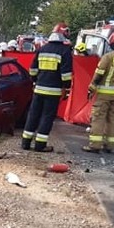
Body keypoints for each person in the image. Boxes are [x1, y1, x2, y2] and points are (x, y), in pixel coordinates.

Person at [21, 22, 73, 152]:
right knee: (47, 117)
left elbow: (32, 70)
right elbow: (66, 75)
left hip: (38, 89)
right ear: (63, 34)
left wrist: (35, 81)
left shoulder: (42, 49)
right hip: (54, 91)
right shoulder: (65, 51)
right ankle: (40, 145)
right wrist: (66, 88)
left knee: (33, 115)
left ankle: (25, 143)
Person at [82, 29, 114, 153]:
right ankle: (109, 145)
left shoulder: (108, 57)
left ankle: (95, 145)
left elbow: (99, 74)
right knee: (112, 119)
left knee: (98, 118)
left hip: (104, 93)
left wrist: (92, 86)